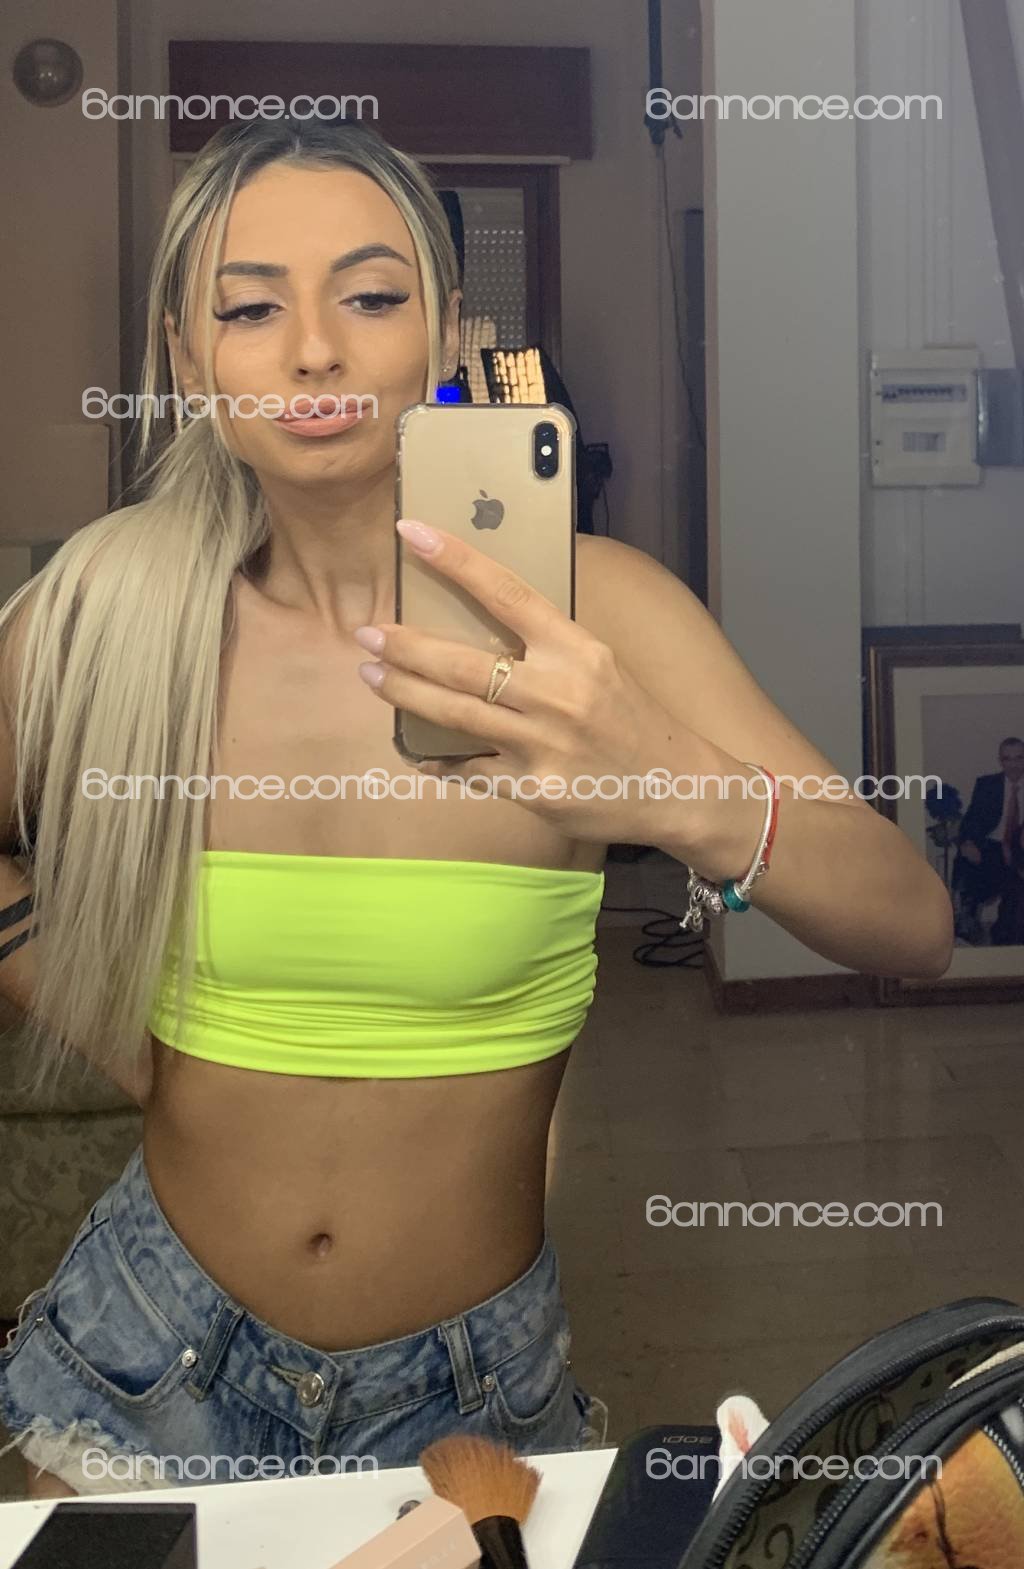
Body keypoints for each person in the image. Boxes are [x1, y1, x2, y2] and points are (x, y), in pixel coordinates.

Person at [0, 117, 953, 1499]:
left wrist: (661, 781)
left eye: (370, 297)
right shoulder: (107, 612)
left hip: (466, 1393)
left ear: (451, 336)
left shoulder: (594, 609)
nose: (313, 350)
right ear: (186, 355)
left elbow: (913, 924)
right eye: (249, 308)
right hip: (141, 1356)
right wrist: (125, 1032)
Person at [952, 736, 1024, 945]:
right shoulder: (987, 785)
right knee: (966, 861)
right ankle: (966, 922)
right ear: (1000, 761)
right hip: (991, 846)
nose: (1013, 764)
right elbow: (971, 820)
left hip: (1021, 848)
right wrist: (967, 842)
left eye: (1019, 758)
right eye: (1007, 759)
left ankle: (1006, 931)